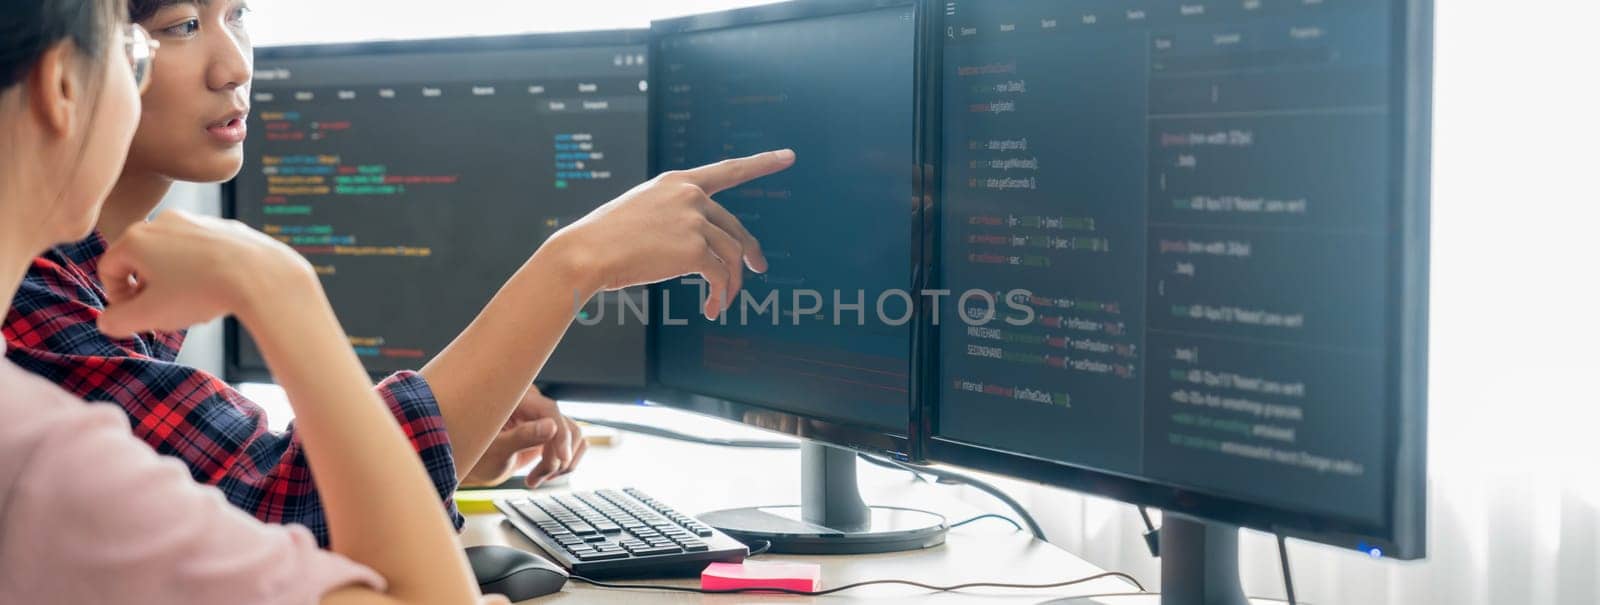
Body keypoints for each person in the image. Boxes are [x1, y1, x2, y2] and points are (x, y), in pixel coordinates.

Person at [4, 0, 792, 545]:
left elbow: (215, 493)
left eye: (239, 15)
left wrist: (456, 444)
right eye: (177, 27)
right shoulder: (35, 312)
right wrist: (572, 264)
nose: (235, 63)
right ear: (62, 73)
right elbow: (297, 518)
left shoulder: (93, 276)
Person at [0, 1, 488, 602]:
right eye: (156, 41)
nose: (234, 68)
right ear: (64, 87)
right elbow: (285, 506)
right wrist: (279, 287)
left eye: (238, 13)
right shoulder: (43, 449)